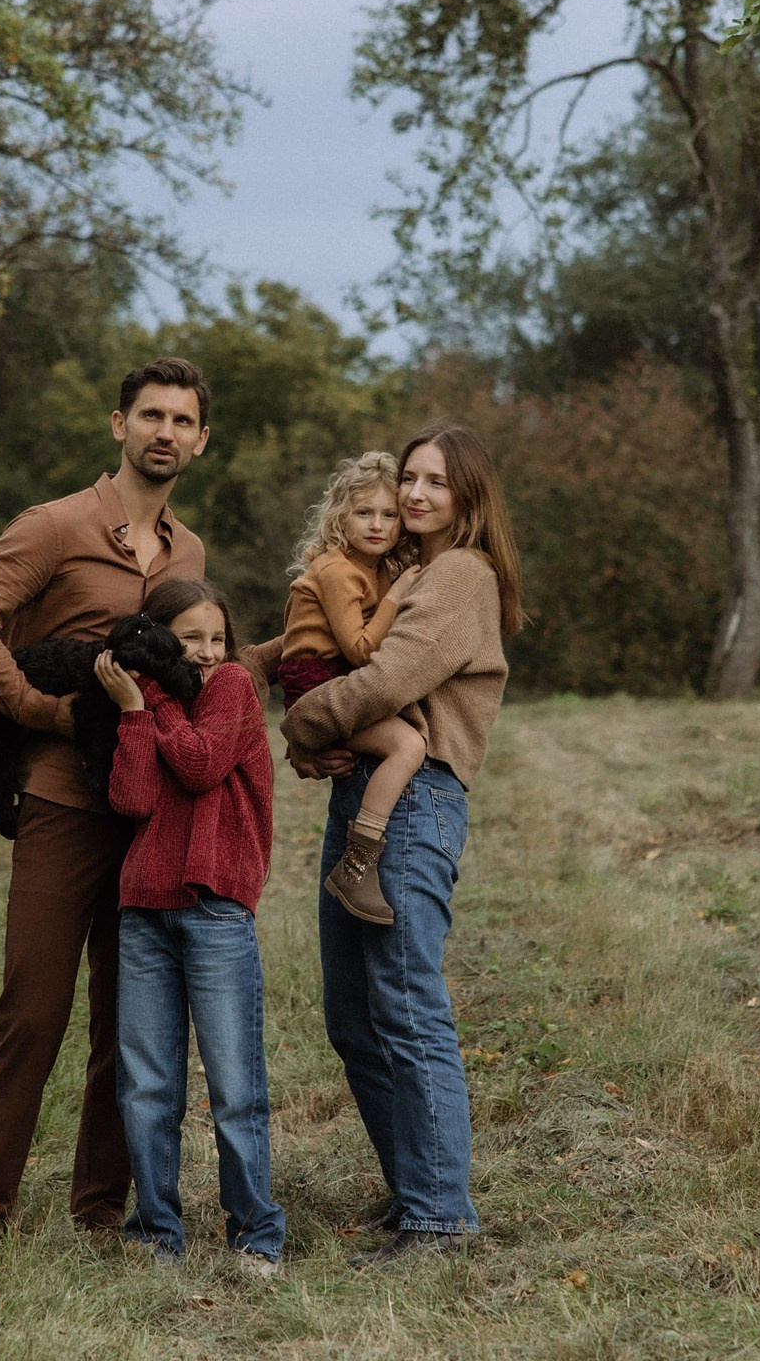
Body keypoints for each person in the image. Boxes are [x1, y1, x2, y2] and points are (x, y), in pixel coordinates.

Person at [0, 357, 211, 1239]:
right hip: (61, 804)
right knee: (34, 1005)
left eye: (182, 421)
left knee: (131, 1021)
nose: (165, 432)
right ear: (119, 425)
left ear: (201, 441)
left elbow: (197, 663)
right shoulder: (54, 525)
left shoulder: (190, 553)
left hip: (150, 816)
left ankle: (100, 1210)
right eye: (151, 415)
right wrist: (37, 710)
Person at [280, 424, 523, 1268]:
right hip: (366, 794)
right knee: (354, 1016)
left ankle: (439, 1218)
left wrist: (302, 723)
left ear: (468, 496)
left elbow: (387, 680)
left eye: (435, 483)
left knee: (407, 1006)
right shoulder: (405, 569)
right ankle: (417, 1189)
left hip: (414, 804)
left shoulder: (461, 575)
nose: (415, 494)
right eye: (410, 477)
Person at [95, 577, 284, 1275]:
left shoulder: (233, 687)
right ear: (159, 642)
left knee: (234, 1086)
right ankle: (155, 1233)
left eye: (217, 638)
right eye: (189, 639)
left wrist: (154, 703)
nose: (206, 652)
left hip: (215, 908)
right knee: (146, 1087)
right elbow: (132, 798)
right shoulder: (146, 702)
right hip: (145, 910)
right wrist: (133, 712)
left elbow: (202, 766)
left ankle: (256, 1234)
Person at [277, 452, 423, 926]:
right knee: (408, 745)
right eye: (364, 512)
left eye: (389, 515)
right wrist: (398, 596)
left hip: (337, 677)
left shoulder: (377, 566)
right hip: (318, 680)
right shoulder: (338, 570)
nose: (377, 525)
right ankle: (358, 863)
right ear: (340, 516)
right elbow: (360, 649)